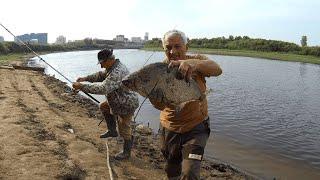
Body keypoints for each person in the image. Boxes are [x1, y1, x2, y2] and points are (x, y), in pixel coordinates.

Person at [150, 30, 222, 179]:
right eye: (168, 47)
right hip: (169, 127)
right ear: (163, 49)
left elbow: (217, 69)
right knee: (171, 169)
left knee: (190, 173)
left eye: (177, 46)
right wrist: (153, 96)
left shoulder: (197, 60)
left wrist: (191, 64)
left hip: (196, 128)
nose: (173, 51)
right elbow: (159, 106)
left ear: (186, 47)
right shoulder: (160, 70)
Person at [72, 49, 139, 160]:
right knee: (103, 106)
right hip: (117, 101)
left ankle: (127, 153)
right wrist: (85, 78)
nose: (101, 66)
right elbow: (100, 75)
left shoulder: (117, 71)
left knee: (124, 128)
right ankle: (112, 131)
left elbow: (103, 88)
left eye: (102, 63)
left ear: (109, 60)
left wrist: (81, 86)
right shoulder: (111, 68)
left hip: (126, 103)